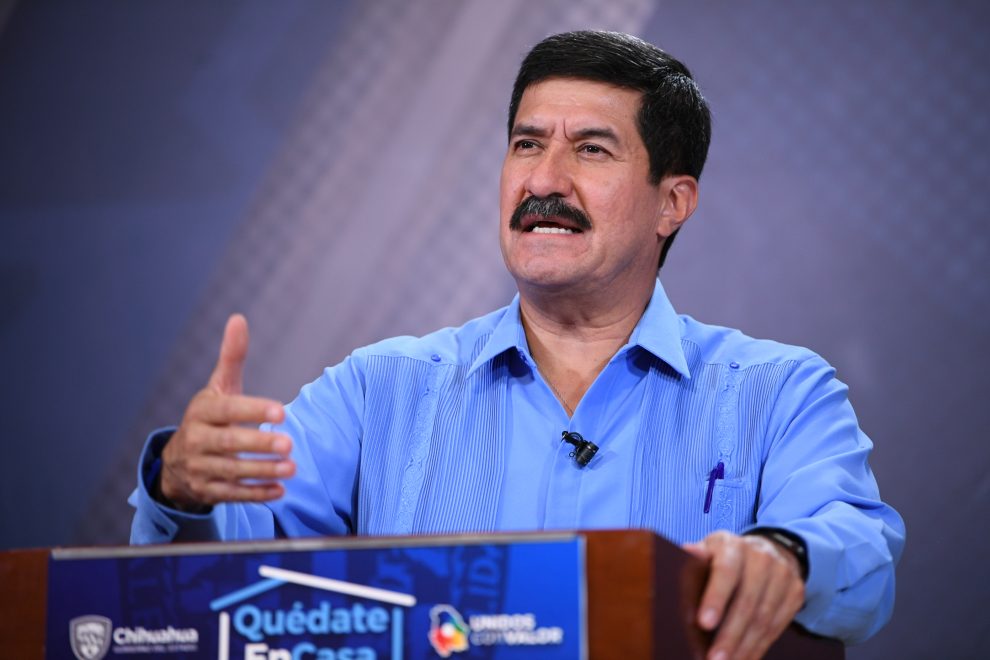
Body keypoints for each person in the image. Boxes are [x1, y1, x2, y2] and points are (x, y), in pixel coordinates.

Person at [130, 30, 905, 659]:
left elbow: (858, 552)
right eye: (528, 145)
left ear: (672, 202)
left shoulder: (777, 392)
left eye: (591, 150)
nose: (546, 181)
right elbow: (224, 584)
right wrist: (183, 488)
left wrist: (783, 556)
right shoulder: (376, 391)